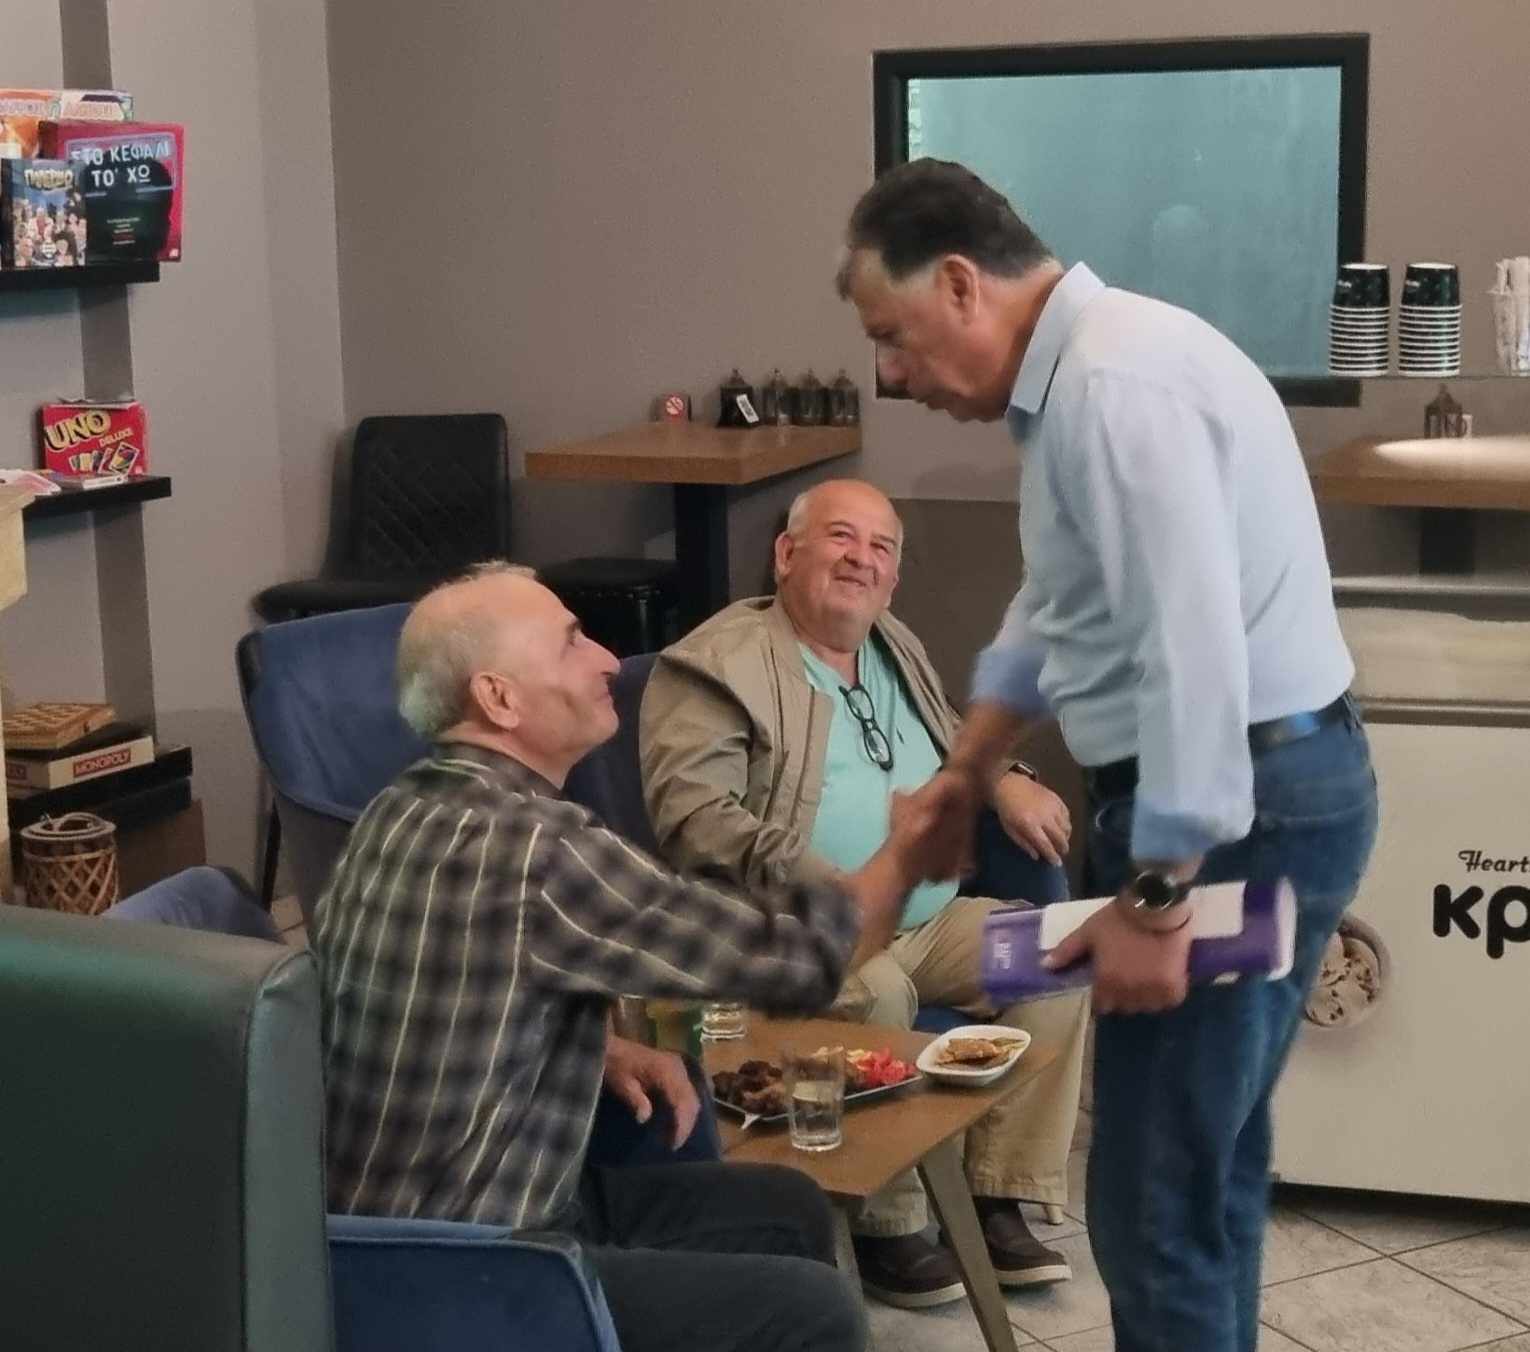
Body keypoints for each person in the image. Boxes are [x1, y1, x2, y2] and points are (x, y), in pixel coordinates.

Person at [835, 158, 1378, 1352]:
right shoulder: (1085, 381)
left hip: (1241, 811)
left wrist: (1158, 891)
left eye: (891, 335)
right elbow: (1062, 606)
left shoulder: (1114, 387)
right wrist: (962, 775)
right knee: (1199, 1179)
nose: (892, 373)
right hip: (1264, 792)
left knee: (1153, 1202)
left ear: (962, 283)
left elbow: (1192, 648)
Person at [314, 562, 938, 1352]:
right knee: (816, 1312)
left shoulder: (397, 809)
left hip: (387, 1238)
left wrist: (600, 1047)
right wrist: (908, 846)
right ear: (499, 698)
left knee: (789, 1210)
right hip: (467, 1273)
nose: (608, 659)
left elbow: (432, 994)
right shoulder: (537, 848)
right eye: (572, 642)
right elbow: (803, 958)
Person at [640, 478, 1090, 1308]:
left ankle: (995, 1194)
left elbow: (950, 733)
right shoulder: (714, 666)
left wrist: (1006, 780)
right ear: (786, 554)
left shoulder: (890, 640)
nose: (862, 560)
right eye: (841, 537)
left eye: (881, 547)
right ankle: (892, 1222)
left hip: (926, 921)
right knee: (878, 989)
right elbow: (694, 818)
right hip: (796, 933)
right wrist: (837, 885)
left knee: (1056, 953)